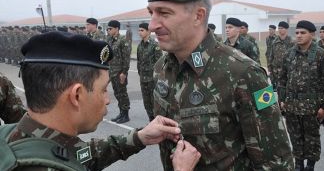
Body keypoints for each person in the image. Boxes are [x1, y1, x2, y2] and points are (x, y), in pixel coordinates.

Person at [143, 0, 294, 170]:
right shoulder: (162, 67)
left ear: (198, 16)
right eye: (151, 13)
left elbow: (276, 164)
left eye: (164, 13)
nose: (152, 25)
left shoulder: (244, 74)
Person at [0, 31, 201, 171]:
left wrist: (140, 137)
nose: (107, 100)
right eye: (104, 90)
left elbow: (85, 155)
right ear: (76, 95)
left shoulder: (26, 137)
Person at [278, 20, 324, 171]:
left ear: (312, 34)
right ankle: (298, 164)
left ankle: (310, 165)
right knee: (295, 137)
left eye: (303, 33)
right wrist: (282, 100)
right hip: (291, 106)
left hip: (312, 107)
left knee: (312, 140)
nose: (299, 36)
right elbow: (282, 79)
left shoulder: (321, 55)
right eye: (297, 33)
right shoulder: (289, 54)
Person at [106, 20, 132, 123]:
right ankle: (121, 113)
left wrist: (124, 73)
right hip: (112, 72)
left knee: (122, 94)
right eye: (108, 29)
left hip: (120, 73)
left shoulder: (123, 40)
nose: (108, 30)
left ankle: (126, 115)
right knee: (117, 93)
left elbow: (126, 58)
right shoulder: (111, 40)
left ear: (116, 29)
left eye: (110, 29)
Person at [137, 23, 163, 121]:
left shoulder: (155, 45)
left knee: (155, 102)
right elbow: (139, 62)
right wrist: (140, 74)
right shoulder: (140, 45)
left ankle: (158, 122)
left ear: (148, 31)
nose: (139, 32)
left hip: (152, 79)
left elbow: (159, 63)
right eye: (139, 30)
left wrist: (157, 78)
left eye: (142, 30)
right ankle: (151, 120)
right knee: (146, 102)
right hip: (143, 79)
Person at [268, 21, 294, 90]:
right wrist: (270, 69)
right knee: (279, 91)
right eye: (279, 28)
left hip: (288, 71)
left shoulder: (292, 42)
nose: (280, 30)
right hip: (276, 72)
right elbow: (271, 56)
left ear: (286, 29)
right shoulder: (275, 42)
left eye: (282, 28)